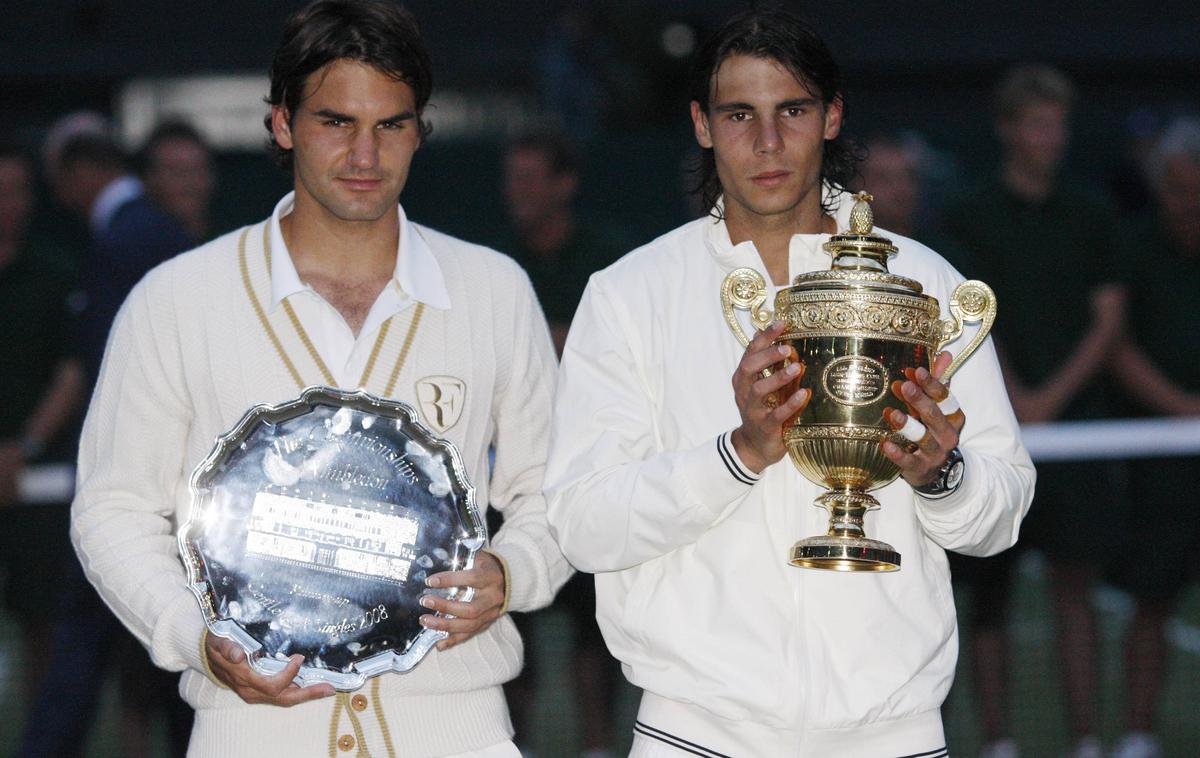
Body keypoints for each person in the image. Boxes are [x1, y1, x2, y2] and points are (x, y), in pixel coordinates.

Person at [69, 1, 570, 756]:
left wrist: (515, 568)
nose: (365, 155)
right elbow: (111, 509)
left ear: (419, 130)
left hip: (456, 724)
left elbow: (556, 490)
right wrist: (195, 635)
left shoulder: (493, 289)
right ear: (281, 123)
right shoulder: (176, 299)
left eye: (391, 125)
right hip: (253, 733)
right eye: (336, 121)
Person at [544, 9, 1034, 757]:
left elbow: (1000, 515)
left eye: (793, 111)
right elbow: (583, 522)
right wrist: (735, 454)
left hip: (891, 733)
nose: (767, 143)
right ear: (703, 126)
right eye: (740, 114)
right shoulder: (631, 293)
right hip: (696, 732)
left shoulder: (922, 283)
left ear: (832, 116)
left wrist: (944, 478)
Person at [943, 64, 1126, 758]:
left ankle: (1087, 740)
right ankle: (998, 743)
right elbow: (965, 320)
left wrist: (1050, 400)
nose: (1053, 137)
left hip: (1077, 433)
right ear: (1008, 130)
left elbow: (1109, 318)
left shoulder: (1092, 214)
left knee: (1076, 590)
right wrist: (1015, 399)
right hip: (994, 435)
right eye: (1039, 123)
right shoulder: (968, 216)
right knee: (987, 597)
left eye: (1060, 123)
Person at [19, 129, 199, 758]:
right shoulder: (158, 233)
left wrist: (32, 442)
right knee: (162, 634)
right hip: (175, 474)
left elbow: (92, 370)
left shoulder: (120, 240)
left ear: (79, 172)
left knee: (86, 633)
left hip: (128, 477)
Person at [494, 130, 630, 757]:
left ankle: (598, 747)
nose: (520, 192)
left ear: (564, 183)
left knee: (590, 631)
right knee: (503, 622)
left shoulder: (606, 261)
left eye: (532, 177)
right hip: (501, 478)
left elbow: (607, 355)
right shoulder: (493, 266)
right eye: (513, 178)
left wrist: (554, 343)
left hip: (584, 470)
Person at [1109, 117, 1200, 758]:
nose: (1187, 205)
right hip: (1160, 458)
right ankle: (1138, 736)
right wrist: (1183, 410)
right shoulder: (1134, 248)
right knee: (1150, 599)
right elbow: (1114, 343)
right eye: (1177, 190)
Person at [0, 142, 84, 704]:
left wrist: (21, 447)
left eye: (16, 190)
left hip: (36, 477)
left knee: (43, 623)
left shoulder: (57, 270)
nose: (8, 204)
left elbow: (72, 371)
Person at [136, 120, 216, 242]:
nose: (190, 183)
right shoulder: (134, 243)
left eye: (197, 170)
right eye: (177, 172)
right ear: (150, 178)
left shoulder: (231, 240)